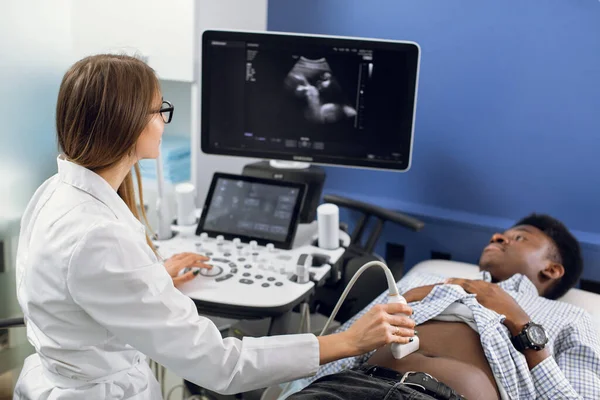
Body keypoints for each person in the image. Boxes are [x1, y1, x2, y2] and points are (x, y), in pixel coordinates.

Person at [13, 54, 417, 399]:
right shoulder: (101, 236)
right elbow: (220, 366)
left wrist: (151, 279)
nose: (164, 121)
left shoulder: (54, 191)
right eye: (160, 110)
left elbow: (81, 290)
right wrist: (349, 341)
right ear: (130, 123)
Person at [287, 214, 600, 399]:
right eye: (499, 234)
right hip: (347, 388)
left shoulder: (572, 317)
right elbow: (345, 344)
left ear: (552, 269)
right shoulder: (425, 280)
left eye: (519, 237)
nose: (498, 237)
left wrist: (522, 325)